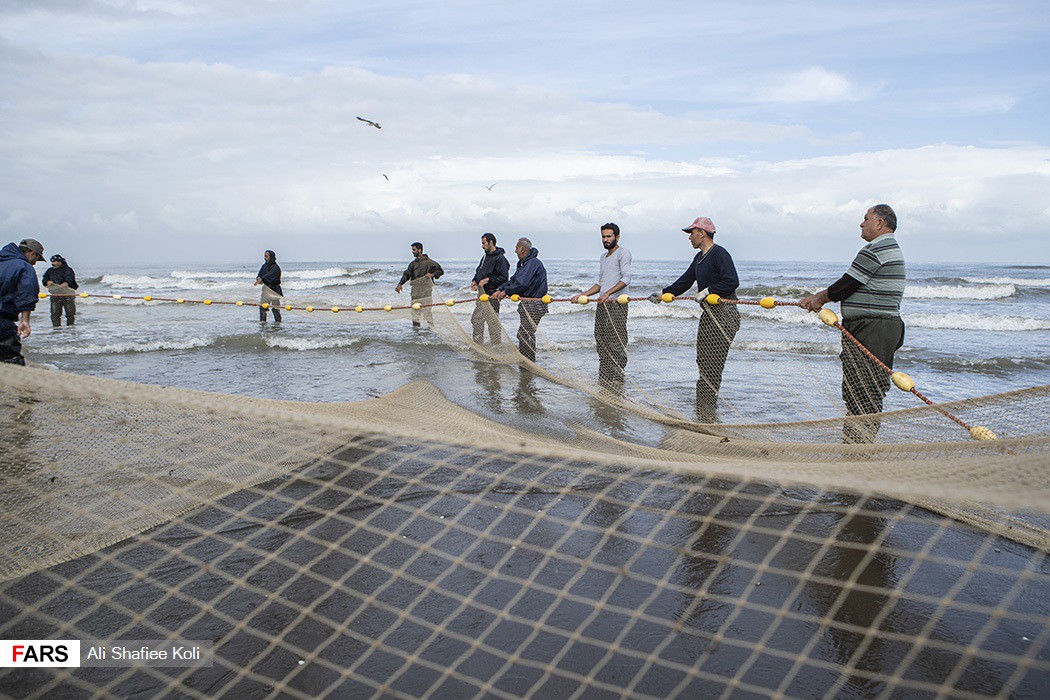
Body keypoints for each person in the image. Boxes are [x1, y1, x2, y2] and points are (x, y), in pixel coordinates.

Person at [800, 204, 905, 443]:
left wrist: (818, 299)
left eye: (866, 218)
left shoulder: (876, 249)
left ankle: (858, 446)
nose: (861, 223)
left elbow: (846, 285)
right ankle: (857, 442)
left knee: (864, 388)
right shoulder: (888, 248)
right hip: (881, 327)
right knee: (866, 387)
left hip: (873, 328)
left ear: (880, 223)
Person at [650, 216, 740, 422]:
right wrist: (663, 293)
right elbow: (685, 281)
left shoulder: (719, 253)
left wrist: (709, 291)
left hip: (725, 314)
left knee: (713, 362)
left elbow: (732, 281)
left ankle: (708, 409)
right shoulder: (699, 258)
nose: (689, 237)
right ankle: (704, 408)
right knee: (702, 360)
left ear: (702, 233)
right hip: (709, 314)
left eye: (691, 233)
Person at [571, 223, 633, 388]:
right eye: (603, 237)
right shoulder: (603, 257)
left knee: (616, 342)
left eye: (609, 236)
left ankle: (617, 380)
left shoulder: (623, 253)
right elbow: (600, 283)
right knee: (601, 340)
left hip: (616, 304)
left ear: (617, 237)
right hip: (602, 304)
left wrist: (608, 293)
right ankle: (605, 378)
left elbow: (626, 278)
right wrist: (583, 295)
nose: (605, 240)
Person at [493, 238, 548, 362]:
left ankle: (528, 362)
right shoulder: (525, 264)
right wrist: (501, 289)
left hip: (535, 304)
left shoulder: (532, 263)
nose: (515, 251)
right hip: (528, 303)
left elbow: (522, 284)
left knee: (525, 333)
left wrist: (506, 292)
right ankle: (526, 361)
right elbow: (513, 280)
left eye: (517, 248)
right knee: (524, 333)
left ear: (523, 249)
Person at [0, 238, 45, 365]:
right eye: (37, 259)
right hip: (2, 321)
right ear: (32, 254)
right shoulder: (24, 266)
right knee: (11, 361)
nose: (35, 263)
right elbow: (27, 293)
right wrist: (25, 320)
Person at [470, 233, 510, 344]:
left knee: (492, 322)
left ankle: (496, 345)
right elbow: (479, 271)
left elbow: (504, 278)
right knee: (476, 319)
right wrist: (475, 280)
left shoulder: (500, 258)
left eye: (484, 243)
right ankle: (478, 345)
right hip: (481, 294)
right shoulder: (485, 257)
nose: (482, 246)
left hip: (493, 294)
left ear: (491, 242)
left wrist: (488, 280)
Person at [396, 242, 444, 328]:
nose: (412, 252)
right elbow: (407, 275)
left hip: (426, 291)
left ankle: (431, 329)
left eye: (414, 250)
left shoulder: (430, 263)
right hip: (415, 291)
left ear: (419, 250)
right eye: (412, 250)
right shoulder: (413, 264)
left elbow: (440, 271)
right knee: (415, 312)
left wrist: (432, 274)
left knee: (427, 312)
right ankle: (416, 331)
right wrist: (400, 284)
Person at [42, 254, 78, 327]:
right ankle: (56, 329)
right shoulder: (50, 271)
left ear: (60, 262)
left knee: (70, 313)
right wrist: (47, 282)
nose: (52, 263)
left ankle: (70, 328)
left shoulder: (68, 270)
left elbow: (70, 279)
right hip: (55, 294)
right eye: (52, 262)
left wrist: (66, 283)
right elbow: (44, 279)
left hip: (68, 295)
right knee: (55, 314)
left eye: (54, 261)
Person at [254, 250, 283, 322]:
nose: (265, 258)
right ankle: (263, 323)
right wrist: (258, 278)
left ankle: (278, 324)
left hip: (274, 290)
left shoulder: (275, 267)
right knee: (262, 307)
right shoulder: (264, 266)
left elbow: (270, 275)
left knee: (275, 308)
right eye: (264, 256)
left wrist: (262, 278)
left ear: (271, 257)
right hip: (266, 289)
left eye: (266, 256)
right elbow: (260, 274)